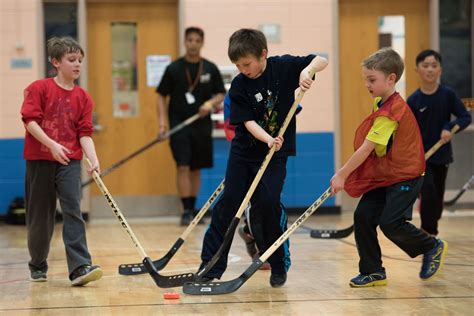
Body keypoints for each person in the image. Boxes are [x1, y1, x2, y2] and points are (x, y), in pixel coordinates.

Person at [199, 28, 327, 288]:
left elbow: (321, 59)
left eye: (246, 64)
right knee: (228, 205)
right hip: (245, 152)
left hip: (276, 155)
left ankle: (277, 263)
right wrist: (268, 139)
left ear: (263, 55)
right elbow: (245, 121)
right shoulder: (238, 85)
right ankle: (210, 267)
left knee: (267, 205)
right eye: (237, 65)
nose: (242, 69)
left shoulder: (283, 67)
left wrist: (306, 71)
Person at [330, 47, 448, 288]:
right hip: (386, 175)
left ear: (391, 78)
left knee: (391, 223)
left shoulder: (390, 113)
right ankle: (373, 271)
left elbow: (366, 148)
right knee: (363, 216)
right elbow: (376, 149)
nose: (367, 84)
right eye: (366, 79)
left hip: (406, 176)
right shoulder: (379, 103)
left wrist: (342, 174)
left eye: (371, 79)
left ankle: (432, 246)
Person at [20, 37, 102, 286]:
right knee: (40, 217)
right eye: (71, 60)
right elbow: (30, 121)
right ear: (56, 62)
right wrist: (51, 144)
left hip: (69, 161)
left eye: (80, 60)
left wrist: (93, 158)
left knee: (73, 210)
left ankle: (79, 266)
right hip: (40, 160)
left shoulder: (84, 98)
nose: (77, 64)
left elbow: (84, 133)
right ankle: (37, 263)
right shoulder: (39, 88)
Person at [156, 27, 225, 226]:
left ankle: (194, 209)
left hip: (201, 126)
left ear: (202, 43)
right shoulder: (174, 69)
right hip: (179, 125)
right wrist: (163, 123)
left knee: (196, 169)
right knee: (183, 166)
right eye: (190, 40)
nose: (193, 44)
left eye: (197, 40)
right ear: (185, 42)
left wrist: (210, 104)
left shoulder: (210, 68)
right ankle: (185, 211)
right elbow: (161, 96)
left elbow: (221, 93)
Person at [407, 49, 472, 236]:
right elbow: (408, 132)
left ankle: (430, 227)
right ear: (417, 70)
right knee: (428, 193)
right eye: (425, 66)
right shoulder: (413, 100)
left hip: (442, 157)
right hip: (422, 159)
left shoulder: (448, 95)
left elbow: (465, 117)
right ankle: (429, 236)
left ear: (440, 70)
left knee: (436, 202)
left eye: (434, 66)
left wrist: (450, 127)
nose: (429, 70)